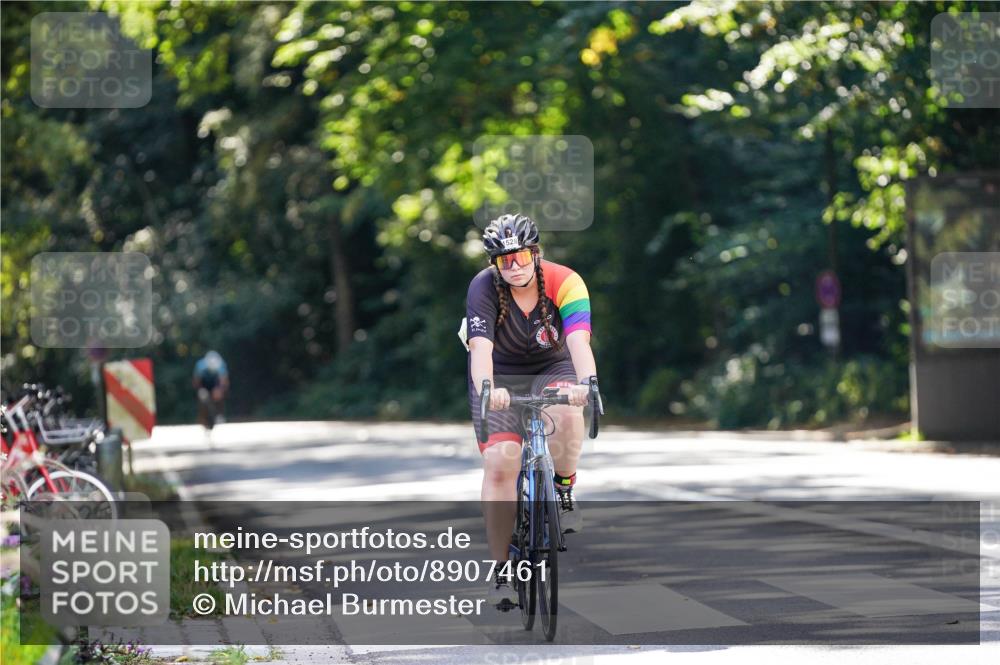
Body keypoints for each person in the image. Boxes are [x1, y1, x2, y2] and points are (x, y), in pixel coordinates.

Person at [465, 213, 598, 610]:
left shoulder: (565, 281)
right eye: (505, 261)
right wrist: (489, 390)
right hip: (500, 374)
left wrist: (586, 385)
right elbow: (480, 350)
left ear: (535, 252)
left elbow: (578, 342)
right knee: (500, 462)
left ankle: (564, 487)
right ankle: (502, 571)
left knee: (568, 412)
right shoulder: (483, 288)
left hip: (552, 367)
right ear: (495, 264)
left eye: (521, 256)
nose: (515, 266)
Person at [192, 350, 229, 430]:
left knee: (218, 396)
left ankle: (219, 414)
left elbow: (224, 381)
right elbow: (196, 381)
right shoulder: (200, 366)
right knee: (202, 399)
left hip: (215, 384)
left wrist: (220, 390)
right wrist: (200, 390)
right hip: (204, 384)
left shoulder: (221, 365)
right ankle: (203, 419)